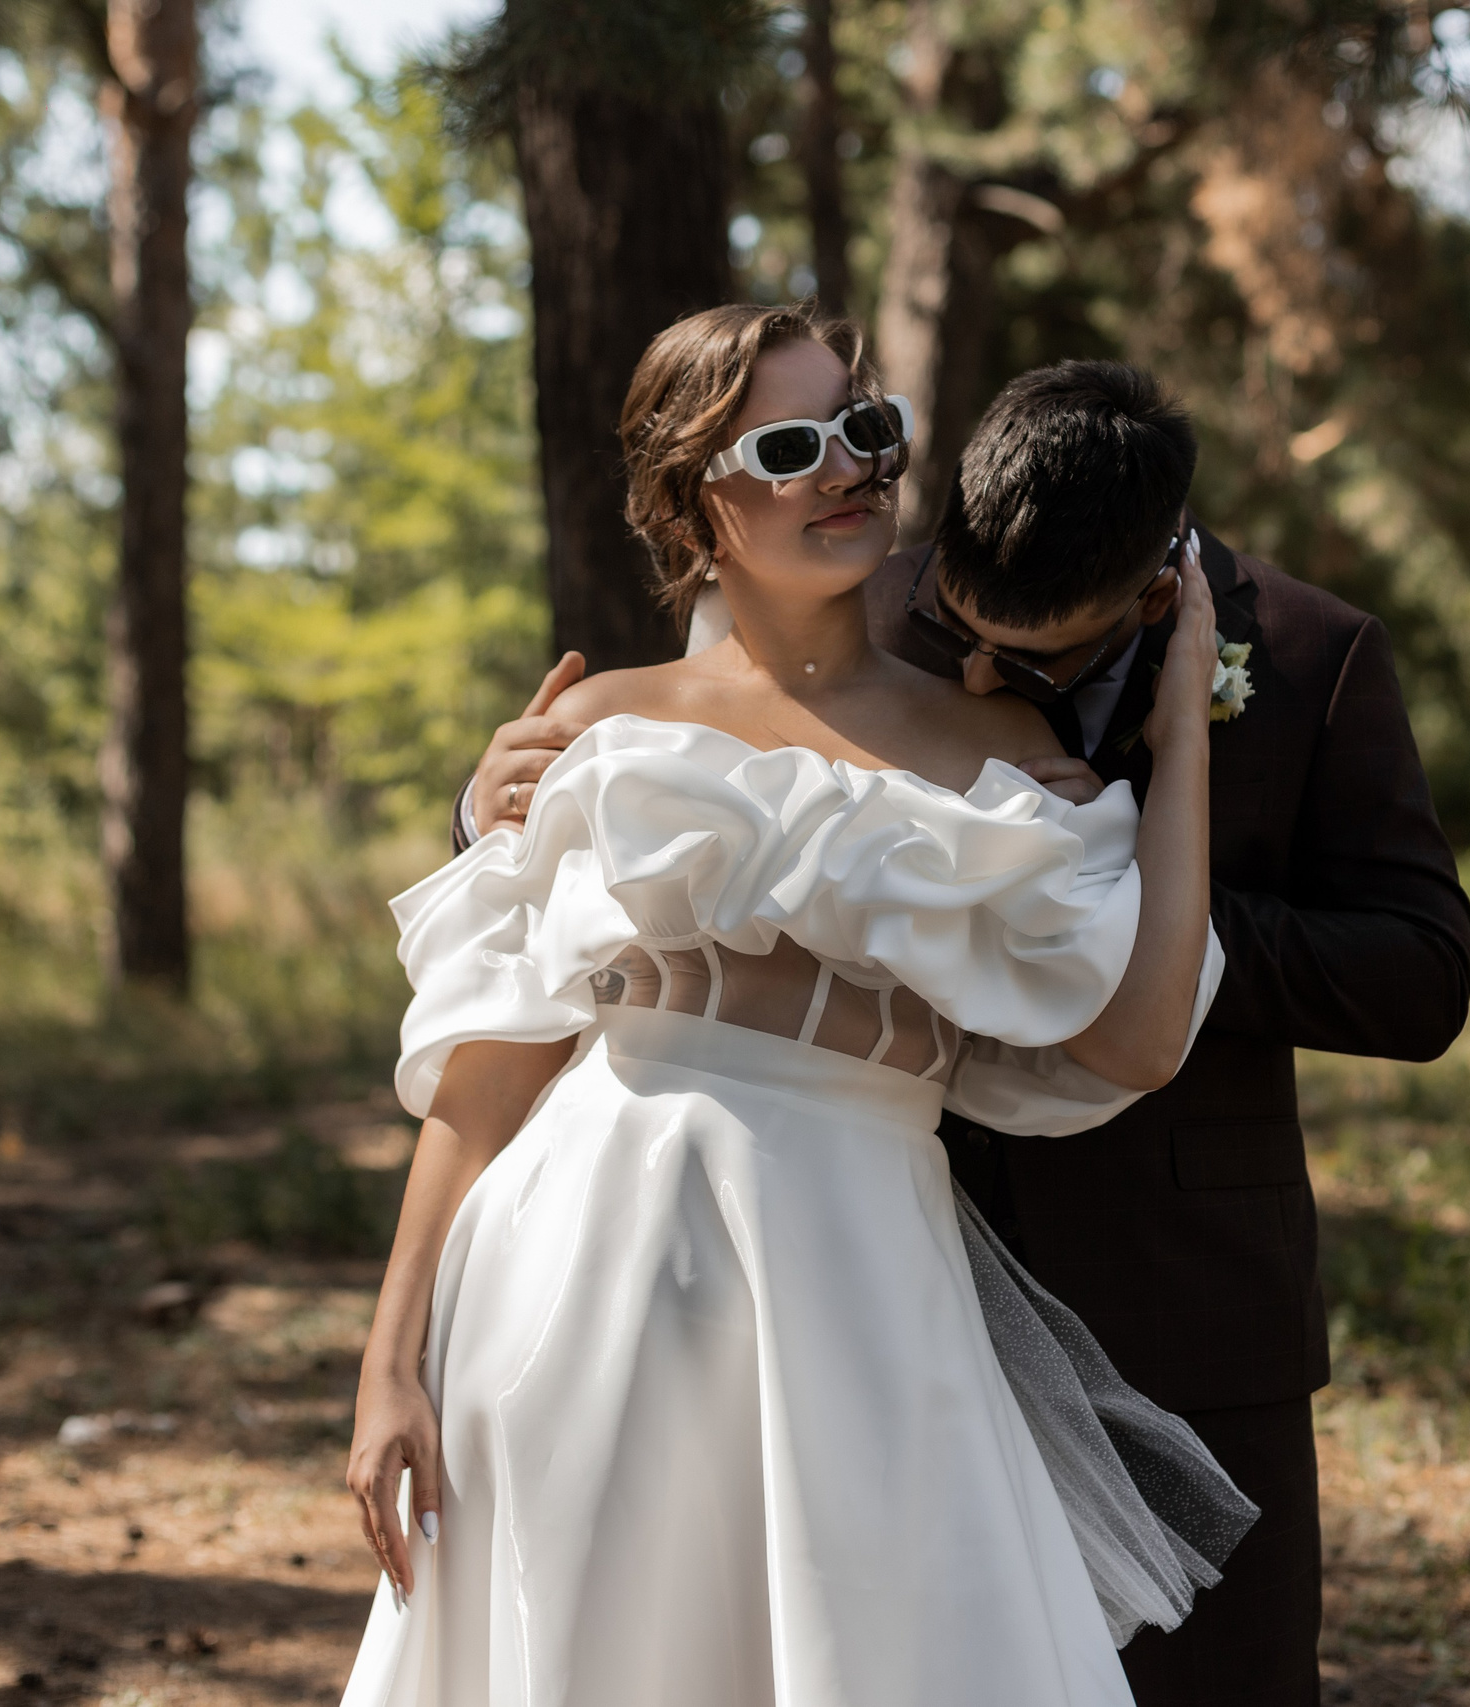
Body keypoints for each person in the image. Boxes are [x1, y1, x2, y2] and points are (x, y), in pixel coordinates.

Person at [460, 358, 1470, 1706]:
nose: (990, 667)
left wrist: (1109, 919)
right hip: (868, 1257)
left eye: (1045, 653)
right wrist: (486, 814)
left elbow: (1419, 974)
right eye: (965, 625)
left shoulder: (1310, 655)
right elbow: (672, 818)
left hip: (1179, 1279)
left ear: (1160, 583)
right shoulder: (852, 587)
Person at [340, 303, 1259, 1707]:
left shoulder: (1000, 744)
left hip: (866, 1260)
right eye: (789, 442)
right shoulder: (602, 728)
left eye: (867, 428)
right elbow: (494, 1067)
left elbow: (1134, 1038)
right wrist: (388, 1361)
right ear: (690, 503)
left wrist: (1182, 723)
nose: (850, 467)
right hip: (593, 1249)